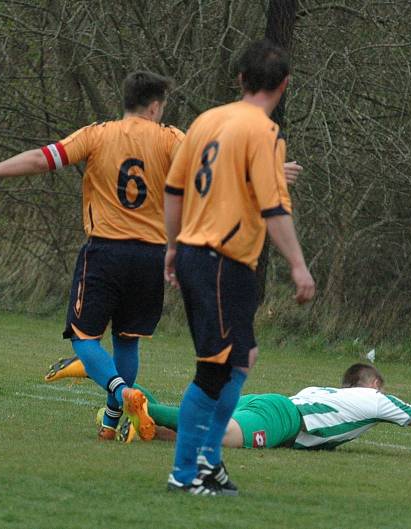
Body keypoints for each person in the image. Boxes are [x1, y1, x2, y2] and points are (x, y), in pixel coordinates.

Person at [0, 71, 185, 441]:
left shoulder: (97, 134)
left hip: (106, 251)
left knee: (84, 339)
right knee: (127, 340)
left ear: (126, 101)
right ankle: (111, 421)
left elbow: (41, 159)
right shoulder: (172, 139)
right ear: (156, 106)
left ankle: (122, 395)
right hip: (151, 257)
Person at [162, 39, 315, 495]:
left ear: (240, 79)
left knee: (242, 359)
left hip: (202, 255)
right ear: (284, 86)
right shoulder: (265, 133)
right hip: (220, 262)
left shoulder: (208, 120)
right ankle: (184, 473)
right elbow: (273, 209)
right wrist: (298, 266)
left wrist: (172, 247)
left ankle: (209, 460)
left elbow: (175, 189)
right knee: (214, 368)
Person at [116, 363, 411, 450]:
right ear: (375, 384)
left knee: (181, 435)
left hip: (272, 405)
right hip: (282, 416)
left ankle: (127, 415)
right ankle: (136, 397)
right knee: (223, 438)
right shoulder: (377, 399)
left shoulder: (328, 390)